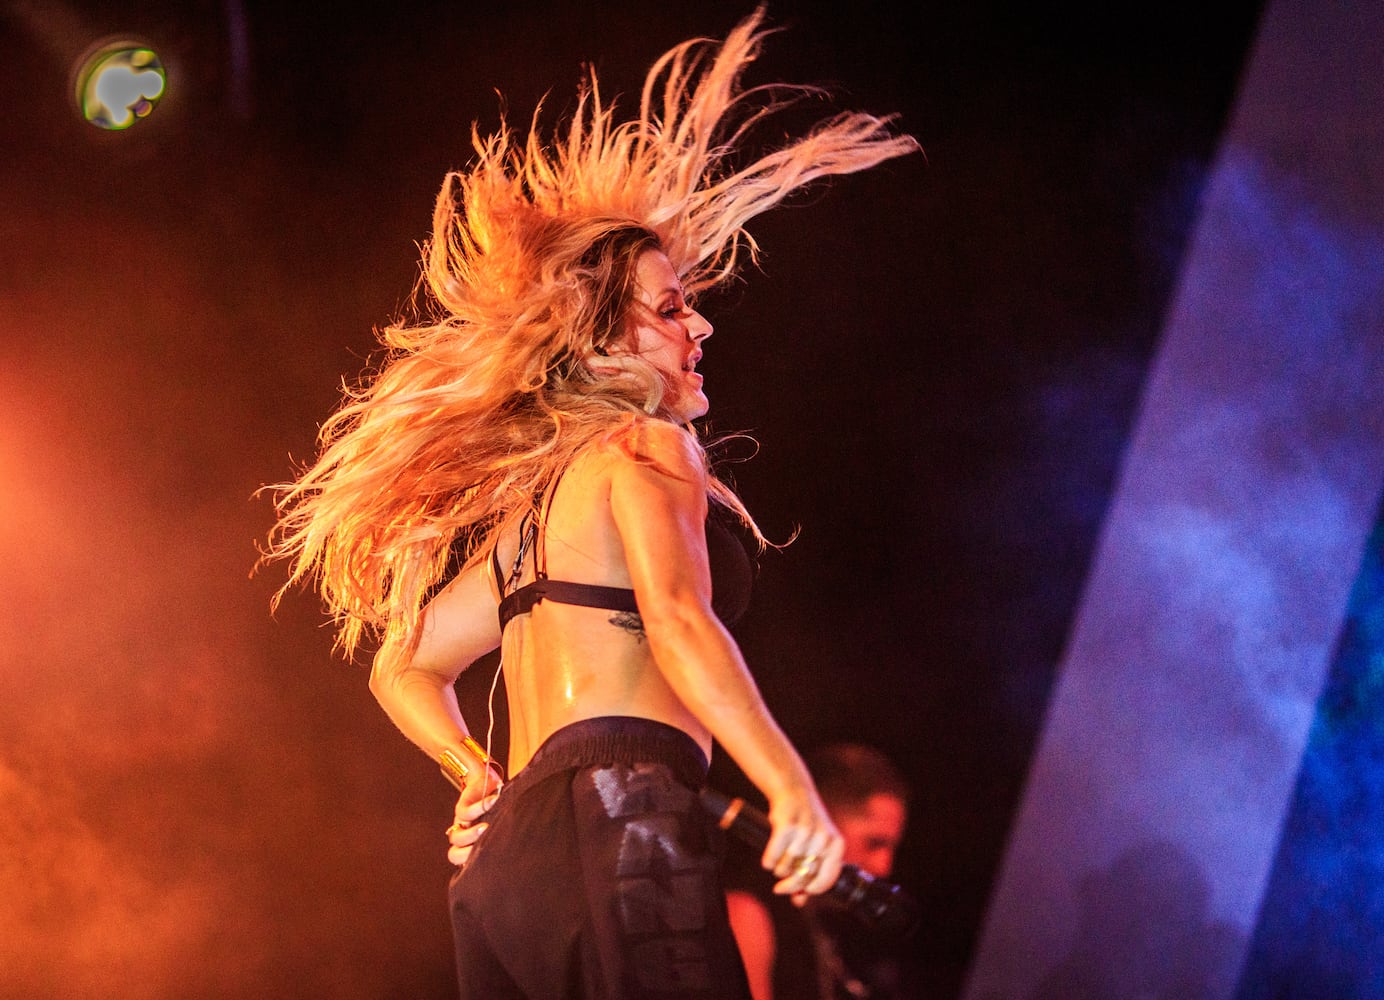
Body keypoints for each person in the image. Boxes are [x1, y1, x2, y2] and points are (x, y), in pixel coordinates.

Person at [264, 8, 918, 999]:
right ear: (604, 343)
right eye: (671, 307)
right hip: (624, 813)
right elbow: (677, 619)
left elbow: (404, 663)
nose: (699, 325)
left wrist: (473, 773)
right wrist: (791, 787)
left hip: (506, 870)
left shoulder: (530, 520)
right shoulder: (647, 444)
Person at [725, 743, 913, 1000]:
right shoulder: (748, 912)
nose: (884, 866)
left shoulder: (834, 924)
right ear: (823, 822)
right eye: (874, 843)